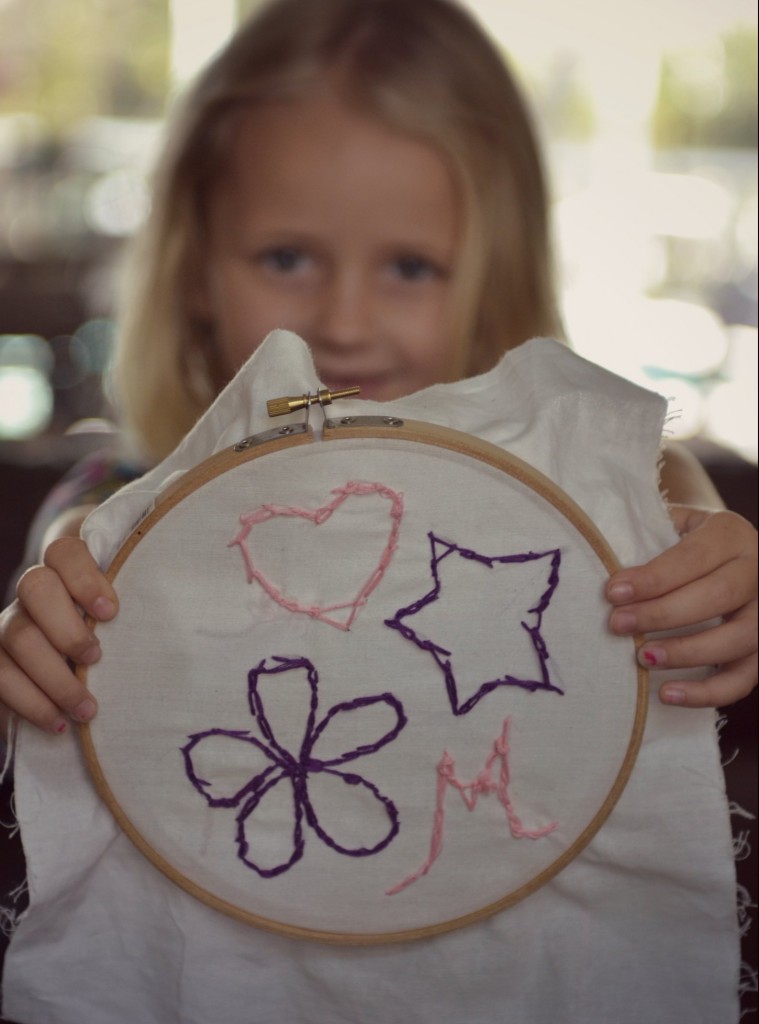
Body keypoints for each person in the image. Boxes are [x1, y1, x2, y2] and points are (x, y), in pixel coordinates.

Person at [0, 0, 756, 1018]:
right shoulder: (114, 500)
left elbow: (683, 518)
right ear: (192, 273)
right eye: (287, 258)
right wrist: (36, 632)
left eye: (409, 266)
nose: (343, 322)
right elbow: (63, 590)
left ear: (496, 276)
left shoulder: (595, 494)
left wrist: (717, 562)